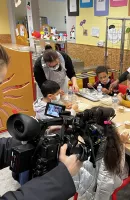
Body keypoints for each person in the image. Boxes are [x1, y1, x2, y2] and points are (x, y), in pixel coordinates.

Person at [0, 44, 82, 200]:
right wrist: (60, 177)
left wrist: (25, 142)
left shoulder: (39, 103)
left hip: (50, 96)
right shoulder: (39, 68)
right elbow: (64, 114)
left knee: (28, 156)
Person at [73, 107, 130, 200]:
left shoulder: (80, 140)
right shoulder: (111, 147)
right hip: (99, 189)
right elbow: (118, 169)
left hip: (81, 185)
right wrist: (122, 144)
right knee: (128, 166)